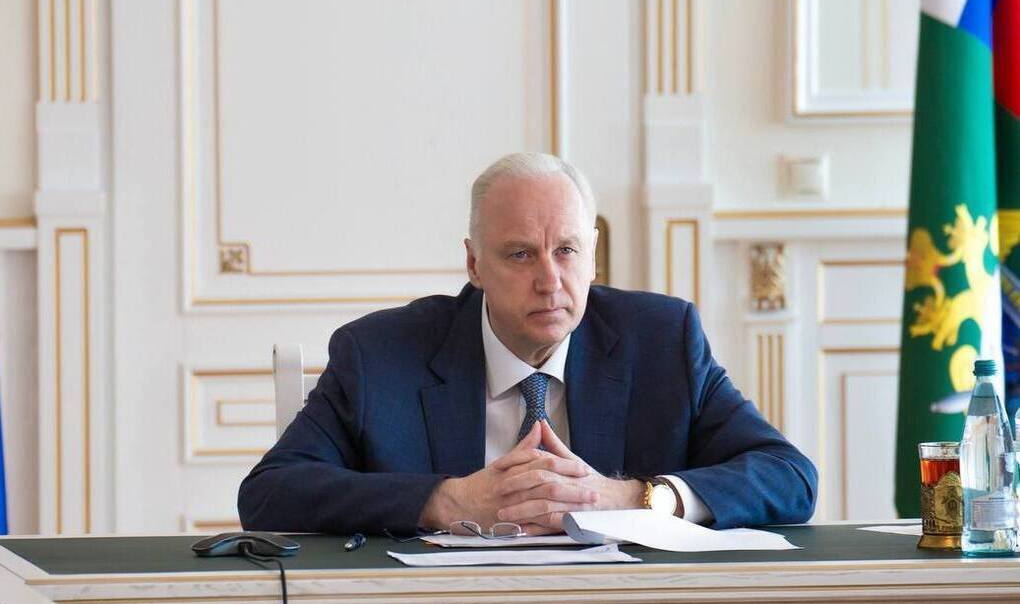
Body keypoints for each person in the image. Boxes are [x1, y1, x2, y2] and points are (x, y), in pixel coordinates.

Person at [238, 153, 817, 535]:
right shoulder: (380, 354)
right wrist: (448, 501)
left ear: (592, 256)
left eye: (566, 251)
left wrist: (632, 500)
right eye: (520, 254)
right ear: (474, 264)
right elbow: (270, 493)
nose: (549, 280)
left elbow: (789, 476)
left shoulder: (662, 339)